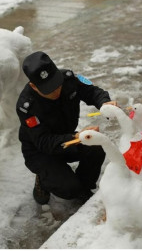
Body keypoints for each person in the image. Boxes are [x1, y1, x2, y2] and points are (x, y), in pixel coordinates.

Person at [16, 51, 117, 205]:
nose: (56, 91)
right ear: (33, 86)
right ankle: (44, 178)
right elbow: (44, 142)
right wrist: (76, 138)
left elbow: (93, 92)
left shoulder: (68, 78)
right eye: (48, 89)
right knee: (69, 189)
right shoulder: (27, 106)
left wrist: (105, 103)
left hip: (66, 138)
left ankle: (84, 189)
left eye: (56, 84)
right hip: (40, 151)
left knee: (95, 146)